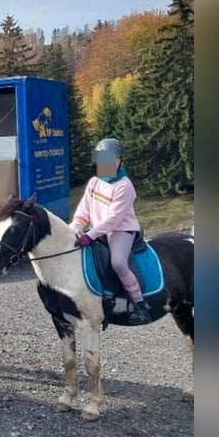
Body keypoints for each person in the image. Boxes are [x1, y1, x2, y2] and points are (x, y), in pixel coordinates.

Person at [70, 137, 150, 325]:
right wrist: (76, 226)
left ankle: (140, 305)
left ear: (120, 160)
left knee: (118, 263)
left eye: (109, 160)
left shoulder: (124, 186)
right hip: (99, 230)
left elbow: (113, 219)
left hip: (121, 230)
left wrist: (90, 235)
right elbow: (84, 210)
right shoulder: (94, 182)